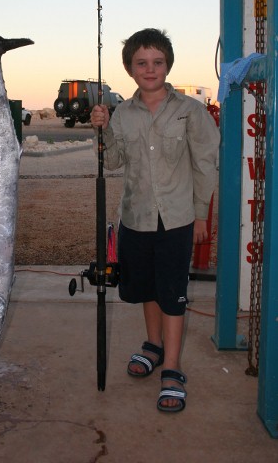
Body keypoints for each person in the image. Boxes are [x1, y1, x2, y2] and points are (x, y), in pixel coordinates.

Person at [91, 28, 220, 413]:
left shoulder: (190, 111)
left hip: (177, 220)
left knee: (172, 293)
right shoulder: (122, 114)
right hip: (135, 219)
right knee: (147, 288)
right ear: (130, 69)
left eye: (157, 62)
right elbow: (114, 161)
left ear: (168, 65)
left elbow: (205, 165)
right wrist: (101, 129)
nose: (150, 69)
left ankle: (172, 367)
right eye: (141, 63)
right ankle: (153, 345)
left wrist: (201, 215)